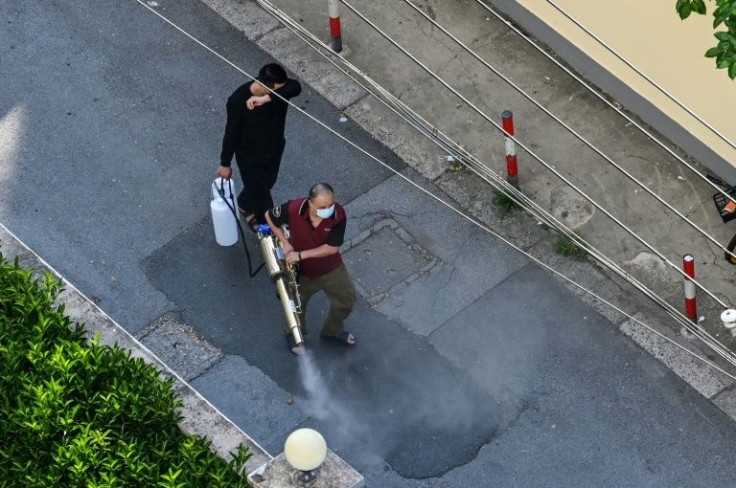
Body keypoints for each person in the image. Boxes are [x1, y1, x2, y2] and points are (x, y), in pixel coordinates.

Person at [265, 183, 357, 355]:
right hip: (300, 272)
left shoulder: (338, 214)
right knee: (294, 306)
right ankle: (295, 335)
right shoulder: (293, 209)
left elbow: (331, 248)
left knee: (347, 299)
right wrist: (286, 244)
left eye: (331, 204)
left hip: (330, 267)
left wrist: (299, 255)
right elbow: (269, 216)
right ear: (310, 203)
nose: (329, 209)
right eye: (323, 207)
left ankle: (332, 331)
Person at [218, 63, 302, 231]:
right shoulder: (238, 101)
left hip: (275, 147)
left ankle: (243, 204)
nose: (278, 92)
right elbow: (231, 133)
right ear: (263, 84)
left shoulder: (276, 92)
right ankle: (270, 230)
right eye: (274, 90)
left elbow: (296, 87)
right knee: (262, 197)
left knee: (268, 181)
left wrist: (267, 98)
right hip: (250, 156)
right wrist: (225, 163)